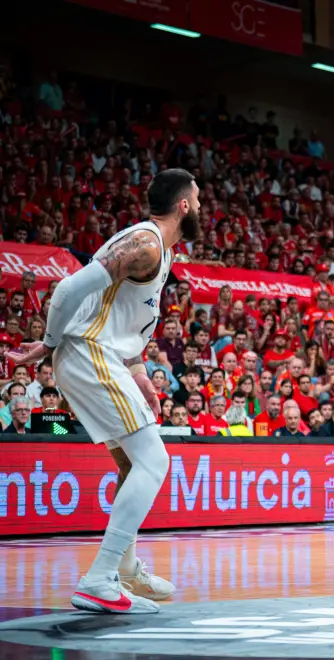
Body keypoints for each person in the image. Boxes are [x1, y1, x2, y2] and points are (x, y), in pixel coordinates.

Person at [12, 167, 202, 614]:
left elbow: (123, 325)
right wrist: (51, 342)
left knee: (131, 463)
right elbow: (68, 288)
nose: (201, 207)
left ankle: (126, 567)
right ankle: (99, 577)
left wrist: (137, 372)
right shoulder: (145, 243)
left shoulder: (163, 253)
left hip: (101, 356)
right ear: (184, 205)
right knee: (154, 460)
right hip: (85, 352)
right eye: (199, 199)